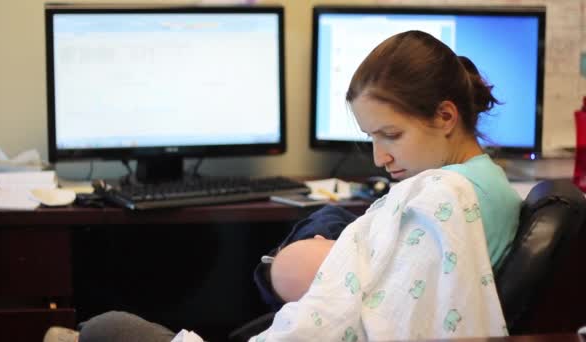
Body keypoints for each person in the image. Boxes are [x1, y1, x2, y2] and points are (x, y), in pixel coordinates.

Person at [45, 30, 522, 342]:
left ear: (445, 116)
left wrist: (311, 257)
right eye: (370, 138)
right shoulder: (484, 183)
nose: (380, 157)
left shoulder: (449, 196)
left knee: (107, 326)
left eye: (391, 135)